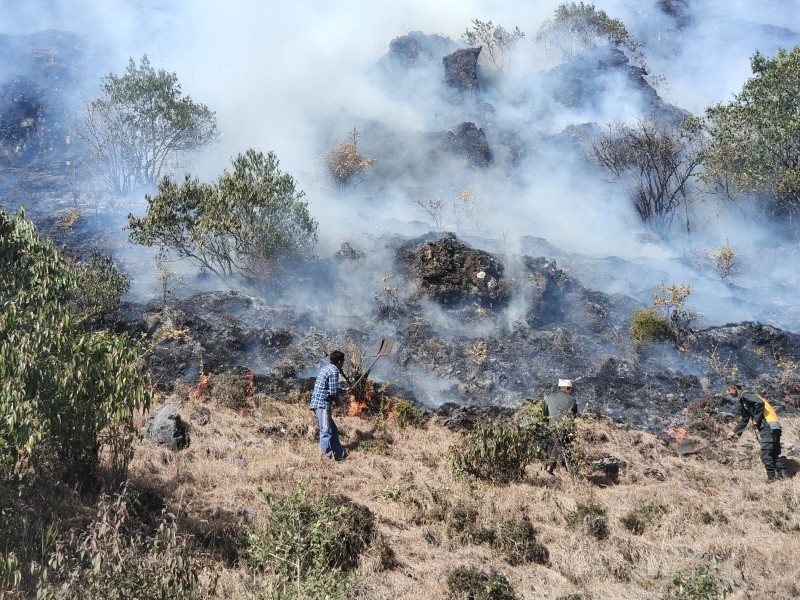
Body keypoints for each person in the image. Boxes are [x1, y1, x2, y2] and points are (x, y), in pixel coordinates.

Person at [725, 379, 788, 482]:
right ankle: (783, 474)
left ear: (734, 389)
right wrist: (734, 432)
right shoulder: (745, 400)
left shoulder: (745, 395)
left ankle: (771, 478)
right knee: (772, 452)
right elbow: (744, 419)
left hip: (768, 426)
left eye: (729, 390)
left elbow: (760, 403)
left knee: (765, 454)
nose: (728, 392)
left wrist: (756, 419)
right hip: (773, 426)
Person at [310, 350, 349, 461]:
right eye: (343, 362)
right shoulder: (334, 371)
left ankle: (339, 456)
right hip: (322, 404)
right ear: (340, 361)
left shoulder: (326, 369)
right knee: (326, 431)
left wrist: (345, 390)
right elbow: (332, 392)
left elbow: (331, 387)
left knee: (333, 431)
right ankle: (326, 458)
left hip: (318, 403)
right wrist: (338, 402)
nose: (343, 364)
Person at [543, 378, 579, 474]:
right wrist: (573, 431)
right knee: (561, 443)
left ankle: (567, 468)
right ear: (567, 388)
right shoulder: (572, 400)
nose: (571, 392)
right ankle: (550, 467)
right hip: (565, 429)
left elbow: (545, 415)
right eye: (571, 389)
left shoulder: (548, 398)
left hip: (551, 427)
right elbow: (574, 417)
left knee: (560, 444)